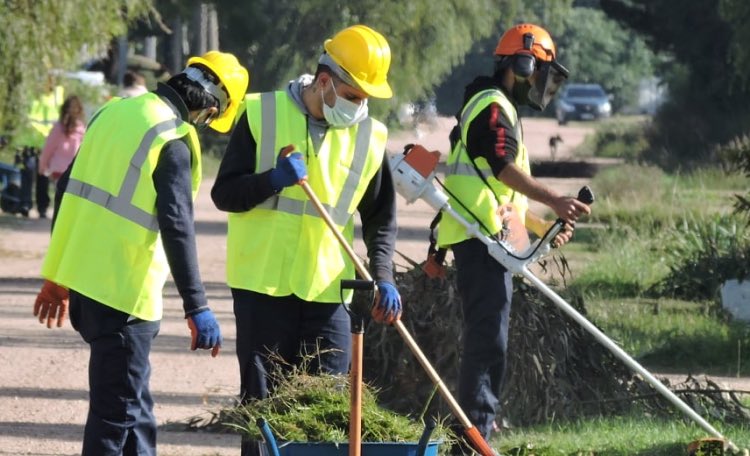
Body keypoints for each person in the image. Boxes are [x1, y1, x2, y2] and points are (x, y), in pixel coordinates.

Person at [32, 51, 249, 456]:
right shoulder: (172, 140)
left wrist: (58, 274)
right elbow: (177, 226)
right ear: (210, 108)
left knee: (135, 410)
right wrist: (197, 306)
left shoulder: (113, 111)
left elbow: (66, 191)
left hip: (86, 289)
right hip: (124, 298)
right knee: (114, 419)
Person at [211, 23, 401, 414]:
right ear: (325, 81)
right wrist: (272, 181)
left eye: (366, 99)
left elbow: (381, 220)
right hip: (262, 288)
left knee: (324, 412)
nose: (359, 107)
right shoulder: (261, 112)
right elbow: (225, 194)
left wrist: (383, 274)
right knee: (262, 411)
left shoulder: (370, 136)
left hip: (328, 294)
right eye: (353, 96)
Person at [436, 23, 591, 451]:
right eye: (541, 71)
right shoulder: (492, 106)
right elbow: (502, 167)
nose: (543, 83)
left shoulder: (495, 105)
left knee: (490, 341)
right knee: (488, 343)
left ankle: (475, 432)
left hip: (489, 242)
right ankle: (474, 439)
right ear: (522, 65)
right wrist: (556, 200)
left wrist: (540, 229)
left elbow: (501, 195)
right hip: (481, 244)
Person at [13, 76, 65, 218]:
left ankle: (42, 207)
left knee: (43, 176)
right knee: (27, 173)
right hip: (28, 140)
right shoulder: (29, 91)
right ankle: (25, 204)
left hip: (46, 142)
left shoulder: (58, 94)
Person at [38, 95, 86, 218]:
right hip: (75, 171)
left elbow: (48, 149)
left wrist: (42, 166)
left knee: (59, 197)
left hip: (58, 171)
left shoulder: (58, 128)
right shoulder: (82, 129)